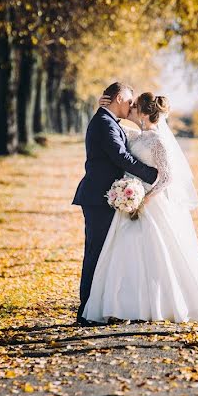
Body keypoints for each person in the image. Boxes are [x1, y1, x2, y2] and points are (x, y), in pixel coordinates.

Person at [82, 92, 198, 323]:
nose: (130, 109)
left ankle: (157, 304)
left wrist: (144, 200)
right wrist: (104, 108)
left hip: (151, 204)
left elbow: (166, 178)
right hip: (133, 201)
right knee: (125, 251)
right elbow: (112, 133)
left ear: (144, 113)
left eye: (134, 107)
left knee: (157, 253)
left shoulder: (158, 141)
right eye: (129, 104)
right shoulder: (136, 135)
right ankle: (123, 305)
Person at [71, 82, 158, 326]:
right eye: (129, 101)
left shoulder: (108, 121)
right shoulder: (104, 123)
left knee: (106, 254)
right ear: (119, 98)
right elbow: (121, 156)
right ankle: (87, 310)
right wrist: (150, 175)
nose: (132, 106)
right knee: (96, 253)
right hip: (98, 199)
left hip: (105, 197)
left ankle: (101, 306)